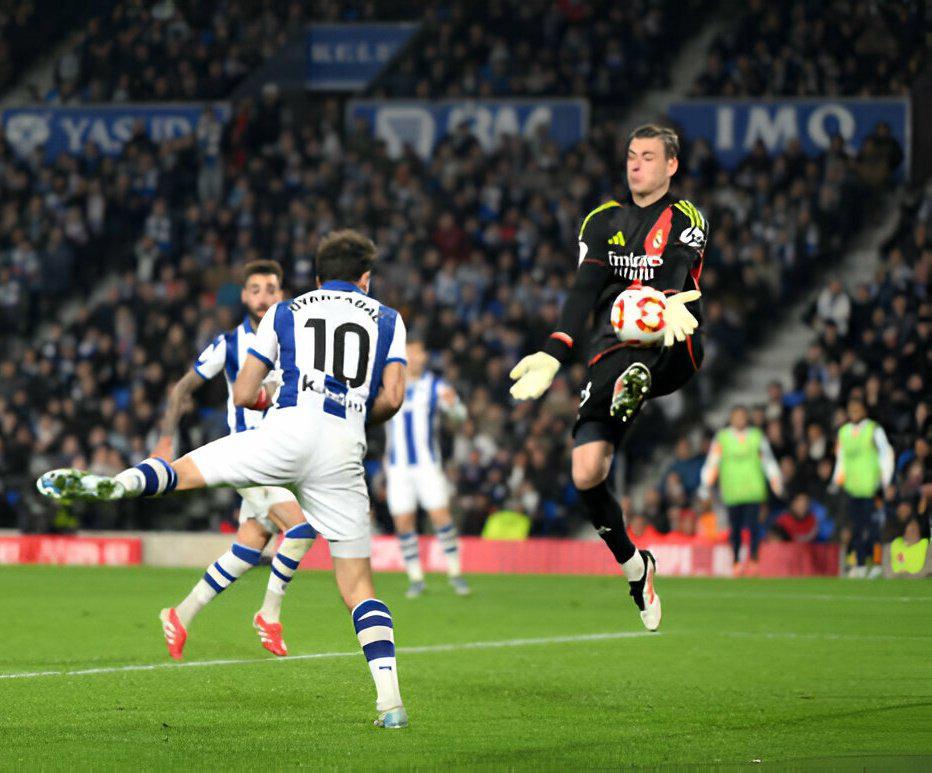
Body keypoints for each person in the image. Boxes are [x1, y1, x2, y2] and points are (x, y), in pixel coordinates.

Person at [38, 230, 411, 729]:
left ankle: (120, 483)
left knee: (186, 473)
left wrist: (274, 398)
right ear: (366, 278)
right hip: (343, 446)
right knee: (358, 586)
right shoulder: (389, 318)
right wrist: (356, 414)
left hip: (283, 432)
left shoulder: (287, 312)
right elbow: (392, 397)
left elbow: (242, 391)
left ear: (317, 277)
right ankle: (389, 702)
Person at [509, 124, 707, 631]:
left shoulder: (685, 217)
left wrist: (663, 305)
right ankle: (635, 566)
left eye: (647, 156)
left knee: (648, 340)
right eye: (631, 156)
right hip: (611, 347)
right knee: (586, 473)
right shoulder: (602, 221)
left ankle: (635, 380)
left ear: (671, 166)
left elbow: (677, 271)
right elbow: (583, 292)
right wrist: (554, 353)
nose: (636, 164)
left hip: (672, 332)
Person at [149, 259, 313, 659]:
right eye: (255, 289)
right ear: (244, 295)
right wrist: (166, 439)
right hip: (251, 455)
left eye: (271, 289)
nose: (263, 297)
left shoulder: (294, 342)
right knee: (302, 531)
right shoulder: (229, 344)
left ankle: (180, 613)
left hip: (284, 453)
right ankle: (268, 614)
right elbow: (182, 388)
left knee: (247, 548)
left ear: (281, 295)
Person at [384, 337, 471, 598]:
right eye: (409, 352)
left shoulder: (435, 386)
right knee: (403, 521)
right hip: (397, 467)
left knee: (441, 516)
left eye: (418, 352)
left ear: (424, 357)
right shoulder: (389, 383)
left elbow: (459, 417)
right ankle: (415, 577)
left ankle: (455, 573)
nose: (414, 357)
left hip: (426, 465)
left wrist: (455, 405)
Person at [698, 405, 785, 576]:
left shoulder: (756, 437)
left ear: (747, 418)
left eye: (742, 416)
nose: (740, 420)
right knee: (735, 528)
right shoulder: (722, 438)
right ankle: (736, 561)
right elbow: (712, 463)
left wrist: (776, 481)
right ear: (731, 418)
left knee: (753, 526)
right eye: (736, 416)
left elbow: (767, 460)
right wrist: (705, 485)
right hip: (732, 491)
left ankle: (753, 559)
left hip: (753, 490)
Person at [832, 397, 895, 577]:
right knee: (857, 528)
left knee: (873, 527)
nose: (854, 413)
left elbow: (886, 454)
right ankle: (859, 564)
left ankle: (876, 564)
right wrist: (836, 481)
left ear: (864, 411)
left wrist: (885, 481)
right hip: (853, 488)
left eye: (857, 410)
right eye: (851, 410)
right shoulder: (843, 432)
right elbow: (841, 459)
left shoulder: (874, 430)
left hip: (871, 488)